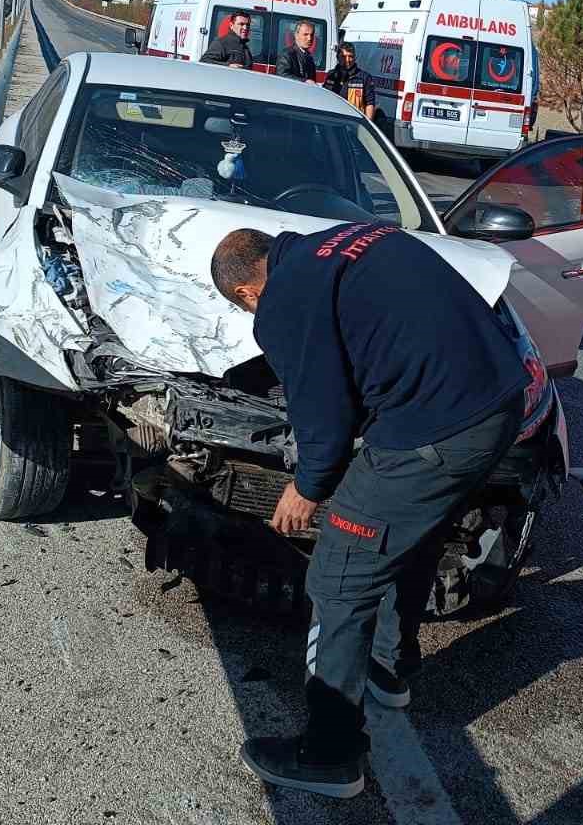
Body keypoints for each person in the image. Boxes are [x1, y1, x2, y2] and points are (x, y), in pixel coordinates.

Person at [210, 224, 528, 799]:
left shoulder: (280, 300)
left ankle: (330, 756)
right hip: (500, 403)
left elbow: (326, 425)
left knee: (338, 576)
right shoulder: (352, 240)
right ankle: (390, 669)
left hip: (433, 430)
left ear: (246, 294)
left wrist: (306, 488)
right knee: (413, 530)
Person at [323, 42, 374, 119]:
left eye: (350, 56)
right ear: (337, 57)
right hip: (332, 120)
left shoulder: (364, 78)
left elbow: (370, 104)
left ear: (355, 57)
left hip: (353, 122)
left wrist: (367, 125)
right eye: (343, 56)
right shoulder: (331, 75)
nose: (347, 60)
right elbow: (324, 98)